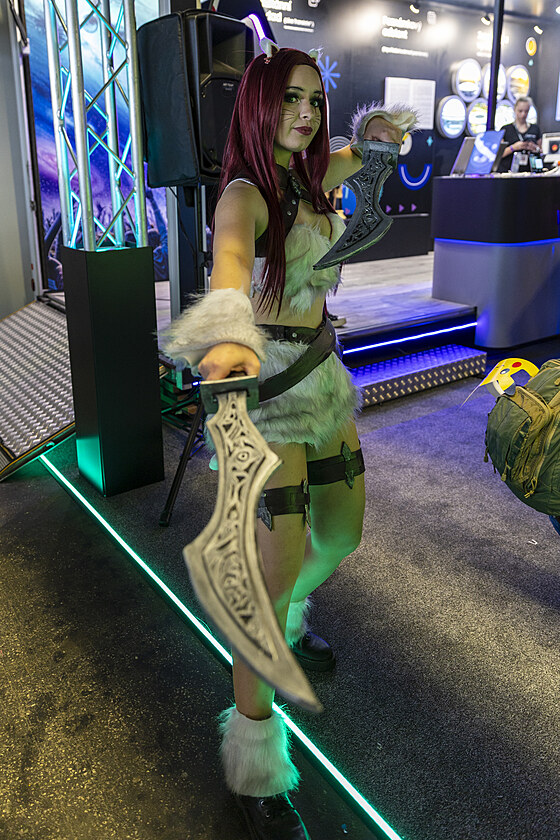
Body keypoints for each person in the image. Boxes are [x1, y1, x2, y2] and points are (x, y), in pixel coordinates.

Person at [161, 46, 416, 840]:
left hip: (321, 381)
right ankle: (256, 765)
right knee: (264, 591)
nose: (304, 114)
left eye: (313, 100)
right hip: (264, 396)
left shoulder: (313, 175)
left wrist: (381, 135)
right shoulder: (245, 194)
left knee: (341, 534)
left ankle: (291, 616)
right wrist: (227, 334)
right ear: (259, 105)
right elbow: (232, 262)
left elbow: (369, 152)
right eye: (289, 100)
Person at [499, 95, 542, 171]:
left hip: (529, 170)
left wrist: (534, 148)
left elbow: (541, 151)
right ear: (515, 109)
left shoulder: (535, 128)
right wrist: (513, 147)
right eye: (520, 111)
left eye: (526, 111)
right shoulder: (506, 129)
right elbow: (499, 154)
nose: (523, 114)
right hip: (508, 170)